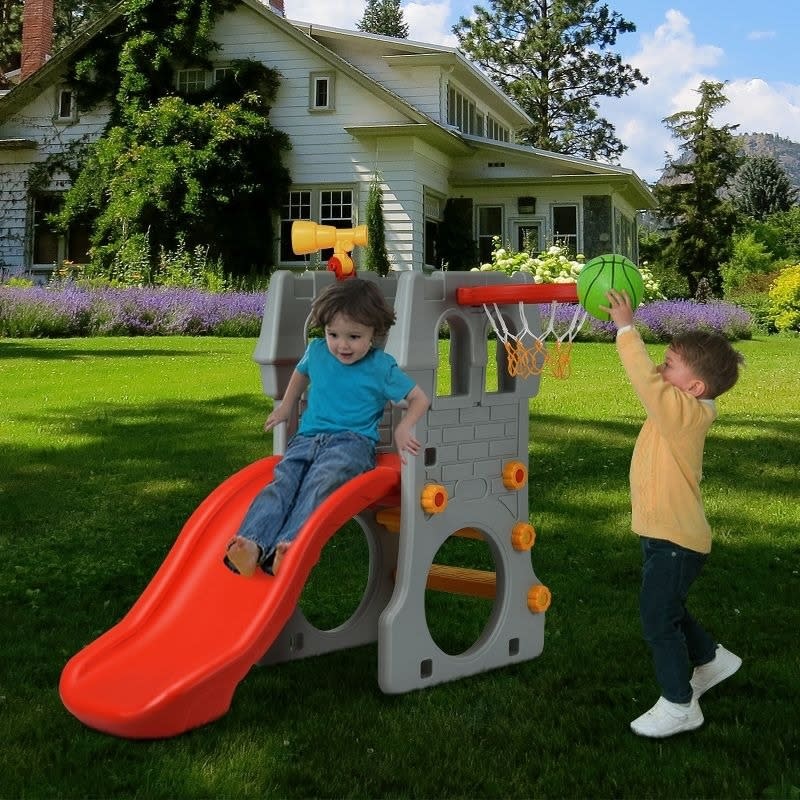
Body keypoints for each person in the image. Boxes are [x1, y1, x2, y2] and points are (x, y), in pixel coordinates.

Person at [601, 288, 745, 739]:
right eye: (663, 362)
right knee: (669, 608)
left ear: (693, 388)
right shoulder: (681, 408)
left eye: (670, 365)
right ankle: (712, 660)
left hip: (676, 542)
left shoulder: (683, 413)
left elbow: (645, 379)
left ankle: (680, 705)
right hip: (666, 536)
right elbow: (656, 383)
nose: (661, 370)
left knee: (657, 619)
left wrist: (626, 328)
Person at [224, 278, 429, 578]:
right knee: (283, 482)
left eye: (354, 336)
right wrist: (285, 406)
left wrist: (404, 427)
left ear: (375, 332)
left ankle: (290, 546)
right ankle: (253, 544)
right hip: (307, 438)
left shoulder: (381, 366)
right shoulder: (318, 350)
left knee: (320, 482)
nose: (342, 345)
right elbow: (300, 374)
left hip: (352, 443)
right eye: (334, 334)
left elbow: (419, 398)